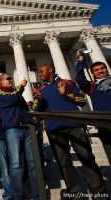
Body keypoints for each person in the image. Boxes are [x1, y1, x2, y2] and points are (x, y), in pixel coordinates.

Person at [34, 63, 106, 198]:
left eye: (42, 71)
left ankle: (99, 193)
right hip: (54, 130)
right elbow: (38, 111)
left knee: (87, 158)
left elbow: (82, 100)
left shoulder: (68, 83)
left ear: (51, 70)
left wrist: (67, 94)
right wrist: (39, 100)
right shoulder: (41, 90)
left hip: (74, 126)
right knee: (64, 163)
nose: (40, 74)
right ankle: (75, 193)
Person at [0, 73, 38, 200]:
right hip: (12, 130)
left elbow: (25, 109)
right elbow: (10, 99)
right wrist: (21, 86)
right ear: (1, 82)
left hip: (26, 128)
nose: (11, 80)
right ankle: (18, 196)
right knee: (16, 163)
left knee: (32, 163)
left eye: (11, 78)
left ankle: (36, 194)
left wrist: (34, 126)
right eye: (8, 79)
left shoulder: (16, 92)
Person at [75, 50, 111, 165]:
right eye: (96, 70)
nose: (100, 71)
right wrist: (80, 62)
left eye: (102, 68)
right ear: (92, 73)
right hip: (105, 125)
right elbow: (80, 80)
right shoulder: (92, 86)